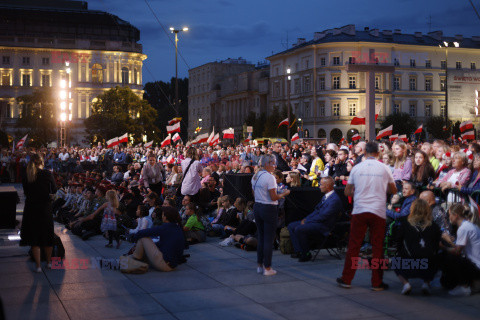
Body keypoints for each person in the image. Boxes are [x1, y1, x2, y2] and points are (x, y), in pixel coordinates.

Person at [337, 141, 397, 291]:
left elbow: (347, 191)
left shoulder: (357, 168)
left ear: (365, 153)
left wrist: (359, 191)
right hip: (378, 210)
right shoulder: (384, 168)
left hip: (360, 210)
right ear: (378, 153)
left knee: (354, 245)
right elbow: (393, 189)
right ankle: (377, 283)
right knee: (378, 247)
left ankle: (346, 279)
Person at [288, 176, 343, 262]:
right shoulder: (325, 197)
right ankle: (299, 251)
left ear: (327, 186)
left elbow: (324, 216)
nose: (319, 186)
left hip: (324, 226)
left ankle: (306, 254)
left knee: (299, 229)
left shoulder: (334, 200)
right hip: (316, 222)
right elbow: (316, 211)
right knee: (291, 226)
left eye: (321, 185)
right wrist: (306, 219)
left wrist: (307, 221)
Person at [251, 154, 290, 276]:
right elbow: (273, 197)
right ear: (267, 164)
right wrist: (284, 193)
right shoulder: (270, 178)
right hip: (268, 208)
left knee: (261, 238)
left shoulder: (255, 176)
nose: (275, 166)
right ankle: (267, 268)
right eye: (273, 163)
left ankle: (259, 265)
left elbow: (254, 194)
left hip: (258, 206)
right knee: (268, 239)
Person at [394, 199, 441, 295]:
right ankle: (426, 283)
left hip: (410, 262)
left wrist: (399, 252)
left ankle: (406, 284)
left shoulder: (405, 223)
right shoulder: (434, 226)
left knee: (396, 261)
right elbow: (436, 245)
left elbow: (398, 240)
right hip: (428, 263)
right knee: (436, 258)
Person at [20, 153, 57, 272]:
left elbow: (25, 192)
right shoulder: (47, 173)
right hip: (45, 208)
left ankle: (38, 266)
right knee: (47, 236)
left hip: (31, 208)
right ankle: (49, 263)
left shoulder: (27, 175)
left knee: (34, 238)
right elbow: (54, 189)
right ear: (42, 162)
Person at [440, 203, 480, 296]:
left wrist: (443, 246)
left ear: (456, 215)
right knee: (446, 283)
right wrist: (450, 242)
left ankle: (465, 287)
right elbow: (460, 248)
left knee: (450, 258)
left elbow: (457, 252)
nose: (449, 217)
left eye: (450, 215)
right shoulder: (469, 225)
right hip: (475, 264)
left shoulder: (463, 228)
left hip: (476, 266)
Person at [130, 206, 185, 272]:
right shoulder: (177, 228)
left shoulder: (166, 227)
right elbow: (166, 244)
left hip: (164, 264)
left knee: (143, 238)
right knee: (145, 244)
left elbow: (144, 232)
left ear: (165, 217)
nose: (161, 216)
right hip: (172, 264)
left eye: (162, 214)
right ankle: (134, 257)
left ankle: (133, 260)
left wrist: (134, 238)